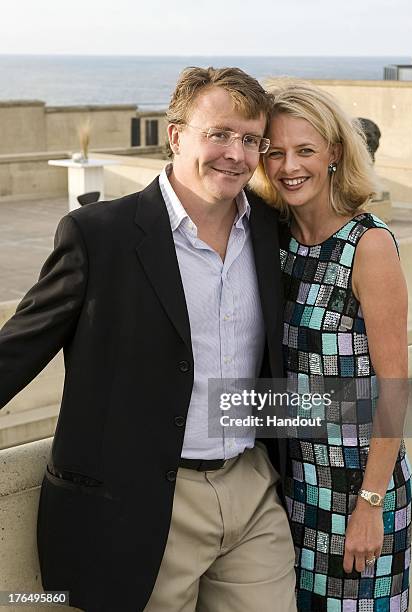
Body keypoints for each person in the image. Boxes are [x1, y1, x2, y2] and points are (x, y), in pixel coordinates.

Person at [0, 67, 296, 612]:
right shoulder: (99, 235)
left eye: (251, 139)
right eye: (220, 134)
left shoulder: (270, 231)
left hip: (253, 489)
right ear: (177, 134)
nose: (236, 153)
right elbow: (16, 349)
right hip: (145, 504)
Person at [251, 81, 412, 611]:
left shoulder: (368, 245)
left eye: (305, 150)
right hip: (291, 490)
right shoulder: (273, 241)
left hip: (360, 491)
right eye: (275, 152)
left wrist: (370, 505)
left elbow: (394, 388)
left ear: (335, 154)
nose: (288, 166)